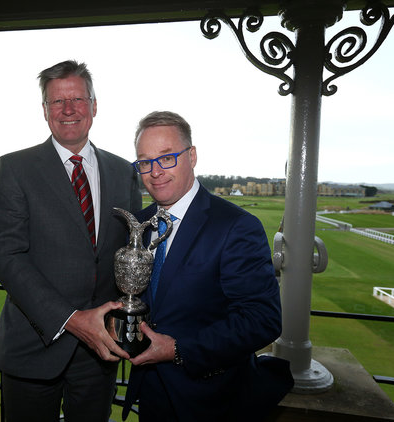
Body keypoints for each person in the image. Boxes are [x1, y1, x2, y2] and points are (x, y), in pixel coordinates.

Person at [0, 60, 142, 422]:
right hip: (33, 348)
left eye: (77, 99)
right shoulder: (14, 168)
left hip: (100, 353)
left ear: (94, 105)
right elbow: (6, 256)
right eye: (57, 102)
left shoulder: (123, 171)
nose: (68, 109)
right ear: (45, 111)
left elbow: (132, 251)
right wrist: (71, 319)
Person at [122, 111, 293, 421]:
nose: (155, 172)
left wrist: (177, 349)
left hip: (211, 399)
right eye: (145, 162)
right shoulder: (141, 224)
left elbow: (262, 320)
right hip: (151, 393)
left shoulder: (236, 226)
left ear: (192, 156)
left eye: (167, 158)